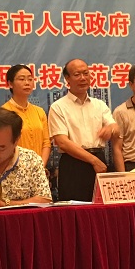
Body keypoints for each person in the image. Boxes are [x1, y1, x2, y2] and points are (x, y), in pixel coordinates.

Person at [48, 58, 118, 201]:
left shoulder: (99, 104)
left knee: (101, 207)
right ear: (67, 78)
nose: (83, 78)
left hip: (99, 159)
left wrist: (110, 128)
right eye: (77, 74)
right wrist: (93, 161)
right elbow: (62, 142)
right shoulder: (58, 107)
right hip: (73, 163)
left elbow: (115, 127)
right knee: (75, 208)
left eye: (86, 73)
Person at [1, 64, 51, 166]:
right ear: (10, 84)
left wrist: (40, 166)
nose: (27, 83)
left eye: (30, 79)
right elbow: (3, 146)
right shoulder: (3, 112)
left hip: (38, 168)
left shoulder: (39, 111)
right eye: (22, 79)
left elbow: (46, 143)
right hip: (14, 169)